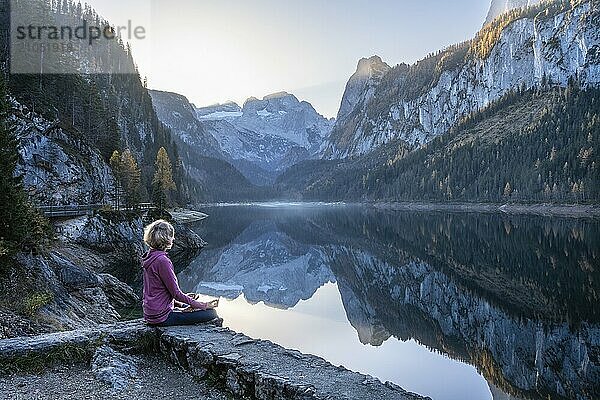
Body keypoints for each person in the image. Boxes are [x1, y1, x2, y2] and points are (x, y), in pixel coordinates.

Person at [141, 219, 220, 326]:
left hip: (151, 313)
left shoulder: (149, 257)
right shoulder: (162, 261)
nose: (173, 238)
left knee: (187, 306)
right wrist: (204, 305)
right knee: (211, 313)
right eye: (171, 235)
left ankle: (185, 307)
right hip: (162, 317)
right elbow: (176, 293)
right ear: (166, 238)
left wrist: (179, 303)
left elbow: (156, 290)